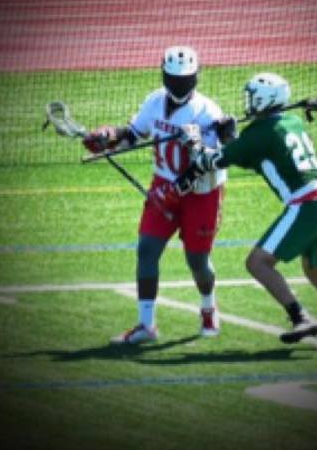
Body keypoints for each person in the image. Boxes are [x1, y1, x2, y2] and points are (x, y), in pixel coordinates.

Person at [175, 72, 317, 349]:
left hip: (308, 202)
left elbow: (210, 161)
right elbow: (254, 153)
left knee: (257, 263)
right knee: (316, 271)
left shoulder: (258, 134)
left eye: (252, 97)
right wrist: (231, 137)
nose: (247, 102)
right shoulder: (291, 121)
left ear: (264, 100)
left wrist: (193, 141)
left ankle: (300, 317)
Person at [83, 46, 234, 344]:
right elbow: (133, 134)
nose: (179, 85)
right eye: (175, 79)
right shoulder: (154, 101)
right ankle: (146, 325)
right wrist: (108, 137)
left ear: (196, 77)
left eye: (185, 79)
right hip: (163, 185)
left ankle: (208, 308)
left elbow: (211, 163)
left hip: (201, 193)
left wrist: (177, 185)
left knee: (198, 261)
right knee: (147, 250)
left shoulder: (207, 112)